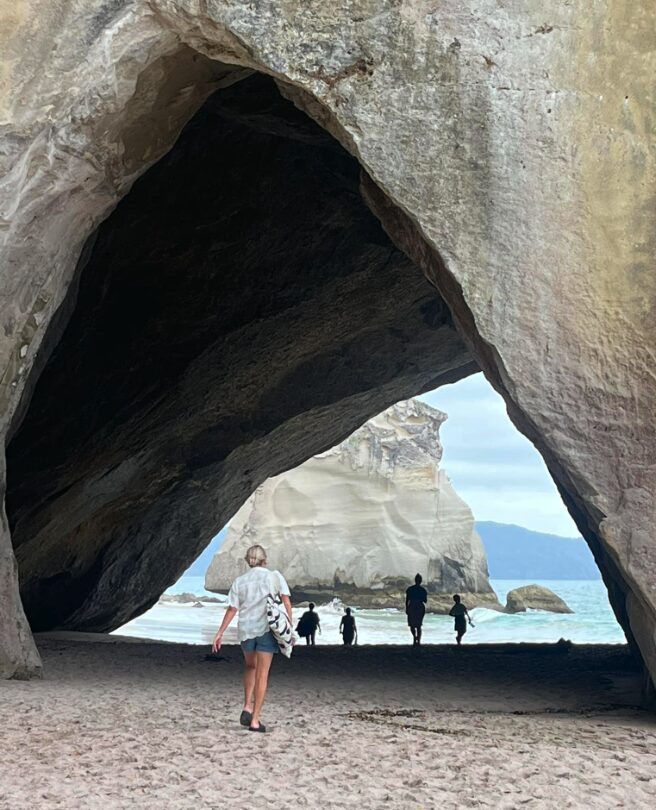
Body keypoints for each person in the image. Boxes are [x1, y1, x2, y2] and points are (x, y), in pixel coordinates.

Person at [212, 544, 291, 733]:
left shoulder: (240, 581)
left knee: (250, 666)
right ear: (265, 560)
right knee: (262, 674)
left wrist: (220, 632)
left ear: (249, 561)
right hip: (265, 629)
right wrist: (289, 627)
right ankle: (255, 720)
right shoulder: (274, 576)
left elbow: (232, 609)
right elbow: (286, 601)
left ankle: (247, 705)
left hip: (246, 630)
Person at [405, 573, 428, 646]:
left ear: (415, 580)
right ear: (421, 581)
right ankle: (418, 640)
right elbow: (425, 601)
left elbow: (407, 600)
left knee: (412, 625)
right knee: (418, 625)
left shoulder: (410, 589)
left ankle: (415, 638)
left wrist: (407, 608)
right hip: (419, 607)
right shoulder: (423, 590)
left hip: (412, 606)